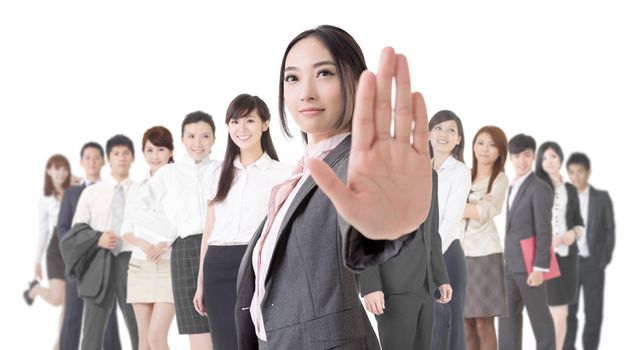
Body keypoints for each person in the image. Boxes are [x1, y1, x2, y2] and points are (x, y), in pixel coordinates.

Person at [234, 25, 438, 349]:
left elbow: (360, 226)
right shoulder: (305, 169)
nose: (306, 93)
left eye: (324, 73)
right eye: (293, 78)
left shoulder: (352, 167)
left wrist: (385, 230)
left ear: (356, 81)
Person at [192, 94, 291, 350]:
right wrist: (200, 283)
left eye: (249, 120)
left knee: (257, 342)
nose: (241, 129)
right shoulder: (216, 173)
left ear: (265, 124)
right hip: (217, 264)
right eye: (234, 122)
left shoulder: (282, 174)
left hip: (255, 264)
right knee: (225, 343)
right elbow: (209, 231)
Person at [359, 168, 450, 350]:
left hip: (426, 285)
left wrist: (441, 277)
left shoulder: (431, 174)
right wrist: (370, 285)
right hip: (393, 287)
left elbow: (431, 231)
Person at [149, 111, 218, 350]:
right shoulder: (169, 173)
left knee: (227, 324)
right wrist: (166, 238)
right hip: (186, 249)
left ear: (214, 140)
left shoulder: (224, 169)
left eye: (205, 136)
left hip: (220, 246)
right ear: (182, 140)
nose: (197, 143)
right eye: (191, 136)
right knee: (197, 329)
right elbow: (142, 208)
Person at [71, 134, 139, 350]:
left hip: (132, 262)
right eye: (116, 154)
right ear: (108, 159)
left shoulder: (142, 191)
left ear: (133, 157)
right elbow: (77, 231)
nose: (121, 158)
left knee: (139, 329)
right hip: (98, 261)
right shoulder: (91, 193)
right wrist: (97, 238)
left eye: (126, 153)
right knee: (92, 330)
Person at [56, 142, 121, 350]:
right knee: (72, 315)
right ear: (81, 162)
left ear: (103, 161)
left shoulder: (113, 190)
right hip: (78, 262)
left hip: (105, 262)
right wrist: (84, 246)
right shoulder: (71, 194)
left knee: (108, 317)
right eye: (88, 157)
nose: (92, 161)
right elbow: (64, 229)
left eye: (96, 157)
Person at [121, 126, 176, 350]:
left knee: (156, 337)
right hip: (139, 268)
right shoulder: (136, 188)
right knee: (143, 341)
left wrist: (167, 243)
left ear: (171, 151)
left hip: (168, 267)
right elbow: (126, 229)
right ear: (143, 153)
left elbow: (189, 224)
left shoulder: (180, 184)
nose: (155, 156)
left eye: (160, 149)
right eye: (149, 150)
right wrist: (144, 244)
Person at [498, 134, 555, 350]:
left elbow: (544, 231)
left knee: (539, 319)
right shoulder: (513, 185)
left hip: (531, 267)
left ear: (534, 157)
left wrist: (540, 268)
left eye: (527, 155)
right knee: (507, 318)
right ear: (510, 158)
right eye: (517, 155)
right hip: (511, 265)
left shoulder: (539, 188)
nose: (521, 161)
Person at [460, 126, 509, 350]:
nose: (485, 149)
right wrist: (472, 205)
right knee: (465, 322)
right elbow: (444, 209)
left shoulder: (499, 179)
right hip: (460, 253)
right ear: (473, 145)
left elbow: (484, 213)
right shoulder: (463, 174)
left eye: (492, 145)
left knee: (483, 322)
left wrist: (460, 206)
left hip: (485, 255)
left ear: (500, 151)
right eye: (480, 142)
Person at [535, 142, 584, 350]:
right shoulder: (536, 186)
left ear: (561, 158)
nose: (549, 161)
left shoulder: (570, 189)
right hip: (544, 257)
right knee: (551, 312)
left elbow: (579, 222)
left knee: (563, 312)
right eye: (544, 157)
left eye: (553, 156)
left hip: (567, 257)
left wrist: (572, 234)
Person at [428, 110, 471, 350]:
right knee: (428, 326)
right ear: (428, 133)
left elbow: (451, 218)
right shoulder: (418, 168)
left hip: (446, 255)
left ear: (459, 139)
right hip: (420, 256)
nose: (443, 134)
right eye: (438, 128)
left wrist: (429, 255)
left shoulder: (460, 172)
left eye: (451, 130)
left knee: (451, 327)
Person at [563, 153, 615, 350]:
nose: (576, 177)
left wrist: (603, 259)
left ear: (588, 172)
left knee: (593, 313)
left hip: (593, 264)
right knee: (569, 312)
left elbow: (610, 230)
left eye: (580, 172)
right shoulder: (564, 198)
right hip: (570, 264)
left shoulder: (601, 198)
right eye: (572, 172)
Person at [23, 154, 72, 349]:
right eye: (56, 168)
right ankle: (34, 290)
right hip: (56, 248)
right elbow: (43, 230)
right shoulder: (44, 199)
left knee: (70, 303)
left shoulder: (75, 190)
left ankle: (60, 344)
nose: (61, 172)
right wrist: (36, 260)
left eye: (64, 168)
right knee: (58, 298)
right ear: (48, 171)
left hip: (75, 248)